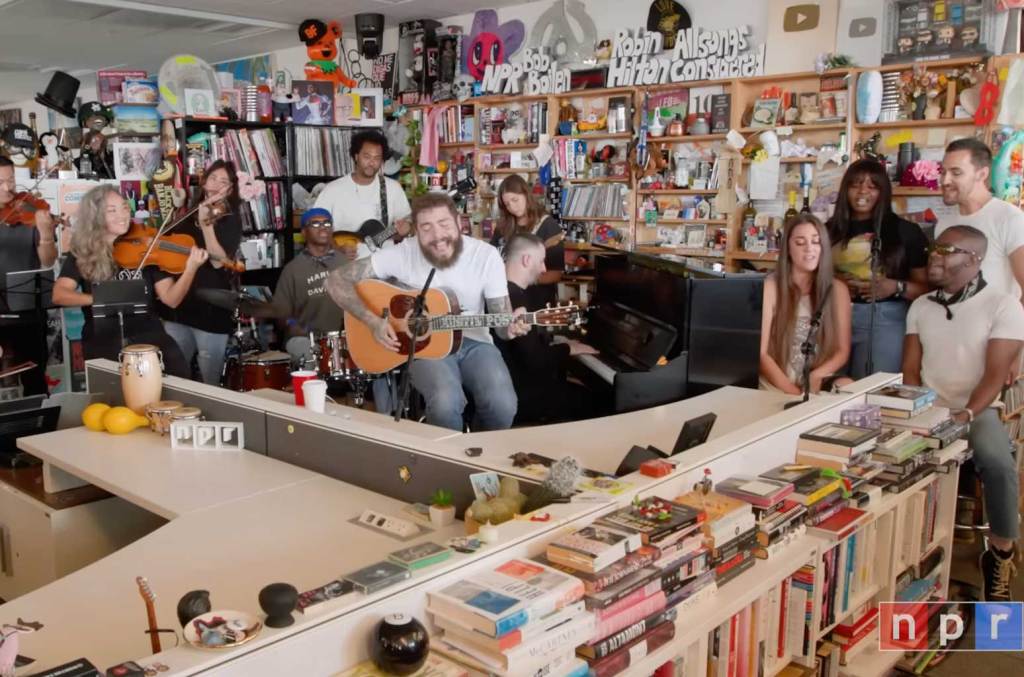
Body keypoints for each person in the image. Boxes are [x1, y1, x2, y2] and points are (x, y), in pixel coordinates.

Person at [327, 193, 527, 431]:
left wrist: (512, 326)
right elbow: (335, 281)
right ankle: (446, 461)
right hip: (425, 347)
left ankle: (479, 456)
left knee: (502, 405)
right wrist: (372, 321)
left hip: (475, 343)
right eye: (426, 227)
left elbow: (503, 326)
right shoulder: (403, 253)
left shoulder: (485, 256)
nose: (437, 236)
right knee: (445, 402)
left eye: (444, 224)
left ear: (458, 221)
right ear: (415, 231)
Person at [902, 225, 1024, 601]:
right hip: (928, 407)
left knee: (998, 463)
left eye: (945, 250)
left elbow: (995, 375)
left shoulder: (1003, 305)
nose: (933, 256)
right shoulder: (921, 306)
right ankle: (908, 559)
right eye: (933, 250)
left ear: (974, 259)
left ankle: (1000, 553)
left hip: (976, 408)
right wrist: (913, 411)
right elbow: (910, 370)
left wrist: (966, 415)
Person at [51, 185, 192, 378]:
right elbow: (59, 295)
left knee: (180, 377)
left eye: (125, 207)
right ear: (95, 216)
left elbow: (171, 299)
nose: (123, 215)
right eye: (112, 210)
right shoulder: (83, 252)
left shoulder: (144, 247)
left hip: (148, 334)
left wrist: (191, 268)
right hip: (102, 337)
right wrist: (101, 299)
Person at [827, 159, 929, 378]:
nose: (863, 190)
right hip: (833, 317)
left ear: (883, 192)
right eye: (855, 184)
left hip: (885, 320)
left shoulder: (906, 231)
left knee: (873, 391)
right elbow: (809, 277)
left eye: (873, 186)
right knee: (828, 390)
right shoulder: (828, 230)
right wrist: (836, 283)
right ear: (845, 189)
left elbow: (927, 288)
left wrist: (895, 287)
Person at [157, 160, 242, 385]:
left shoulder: (230, 220)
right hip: (180, 304)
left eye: (224, 181)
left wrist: (207, 225)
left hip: (211, 309)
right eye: (213, 178)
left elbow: (218, 262)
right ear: (204, 182)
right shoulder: (187, 214)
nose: (217, 184)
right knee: (174, 375)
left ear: (230, 189)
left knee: (209, 380)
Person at [497, 233, 596, 424]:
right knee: (595, 400)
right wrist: (569, 348)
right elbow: (535, 360)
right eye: (542, 261)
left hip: (514, 385)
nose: (544, 268)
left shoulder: (503, 291)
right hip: (522, 394)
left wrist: (557, 343)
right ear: (526, 260)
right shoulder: (517, 299)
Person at [760, 214, 852, 395]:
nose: (809, 249)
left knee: (849, 386)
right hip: (779, 381)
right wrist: (795, 394)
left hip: (818, 379)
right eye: (800, 243)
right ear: (787, 248)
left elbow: (842, 351)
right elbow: (762, 355)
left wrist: (816, 376)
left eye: (816, 242)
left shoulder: (838, 289)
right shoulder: (770, 287)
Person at [937, 137, 1024, 302]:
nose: (944, 180)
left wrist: (1008, 326)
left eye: (956, 172)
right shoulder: (944, 223)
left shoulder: (1010, 219)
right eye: (943, 172)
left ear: (982, 174)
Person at [0, 156, 57, 395]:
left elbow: (48, 261)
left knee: (35, 382)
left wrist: (45, 234)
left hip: (27, 314)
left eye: (11, 180)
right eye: (0, 182)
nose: (7, 188)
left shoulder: (31, 209)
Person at [314, 130, 411, 260]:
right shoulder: (332, 190)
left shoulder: (393, 188)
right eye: (367, 156)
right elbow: (314, 228)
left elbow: (401, 231)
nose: (372, 163)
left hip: (384, 266)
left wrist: (405, 230)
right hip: (344, 268)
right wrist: (336, 249)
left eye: (377, 158)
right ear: (356, 156)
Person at [266, 208, 346, 367]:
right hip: (305, 339)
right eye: (315, 223)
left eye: (327, 223)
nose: (323, 227)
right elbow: (280, 316)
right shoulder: (292, 270)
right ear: (304, 232)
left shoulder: (345, 264)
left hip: (343, 338)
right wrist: (296, 326)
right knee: (310, 357)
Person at [491, 174, 564, 307]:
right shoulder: (502, 228)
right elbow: (492, 261)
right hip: (506, 302)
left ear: (526, 194)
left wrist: (524, 279)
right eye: (507, 204)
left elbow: (556, 274)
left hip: (537, 303)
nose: (512, 207)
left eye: (515, 200)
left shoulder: (548, 225)